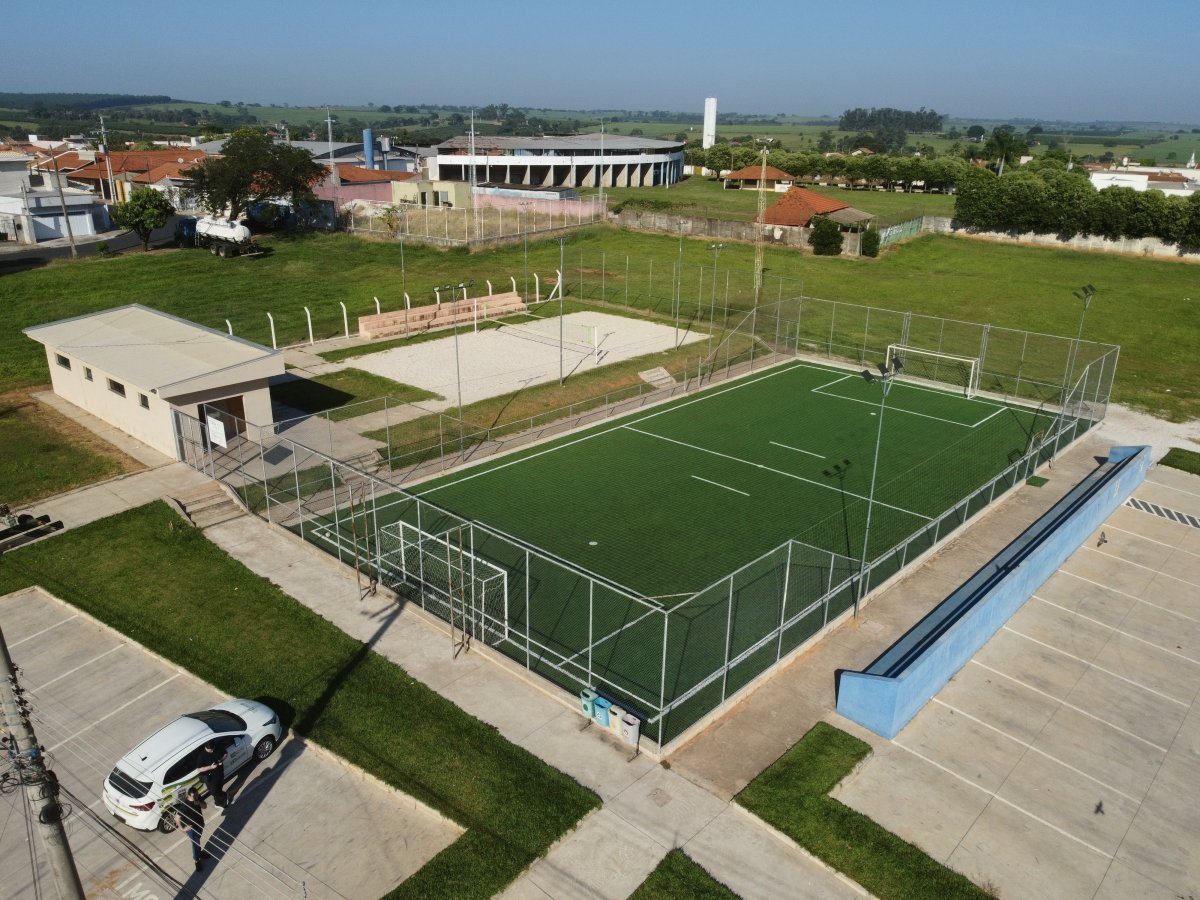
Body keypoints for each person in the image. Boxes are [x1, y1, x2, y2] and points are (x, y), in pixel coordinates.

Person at [176, 786, 211, 871]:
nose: (196, 797)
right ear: (189, 796)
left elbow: (205, 806)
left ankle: (199, 853)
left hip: (200, 824)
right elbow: (176, 818)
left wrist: (199, 802)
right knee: (195, 844)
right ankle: (197, 860)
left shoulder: (197, 798)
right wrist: (182, 829)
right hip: (191, 829)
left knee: (198, 841)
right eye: (194, 796)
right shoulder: (185, 805)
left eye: (197, 795)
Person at [195, 740, 227, 808]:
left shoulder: (217, 747)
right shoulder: (202, 756)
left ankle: (218, 803)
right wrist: (210, 767)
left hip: (220, 774)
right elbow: (199, 769)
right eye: (210, 750)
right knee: (213, 791)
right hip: (210, 778)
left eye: (213, 749)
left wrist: (221, 760)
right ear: (206, 748)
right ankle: (224, 796)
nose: (212, 751)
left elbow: (225, 754)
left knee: (219, 789)